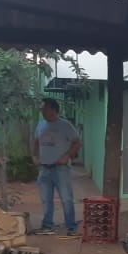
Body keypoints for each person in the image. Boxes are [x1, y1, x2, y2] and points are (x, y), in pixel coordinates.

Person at [32, 98, 81, 235]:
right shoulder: (40, 125)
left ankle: (71, 227)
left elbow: (77, 143)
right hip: (44, 168)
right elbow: (36, 142)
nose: (42, 112)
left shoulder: (65, 125)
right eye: (41, 109)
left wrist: (67, 156)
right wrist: (34, 156)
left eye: (45, 109)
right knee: (46, 199)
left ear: (54, 110)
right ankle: (47, 226)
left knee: (66, 199)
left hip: (61, 169)